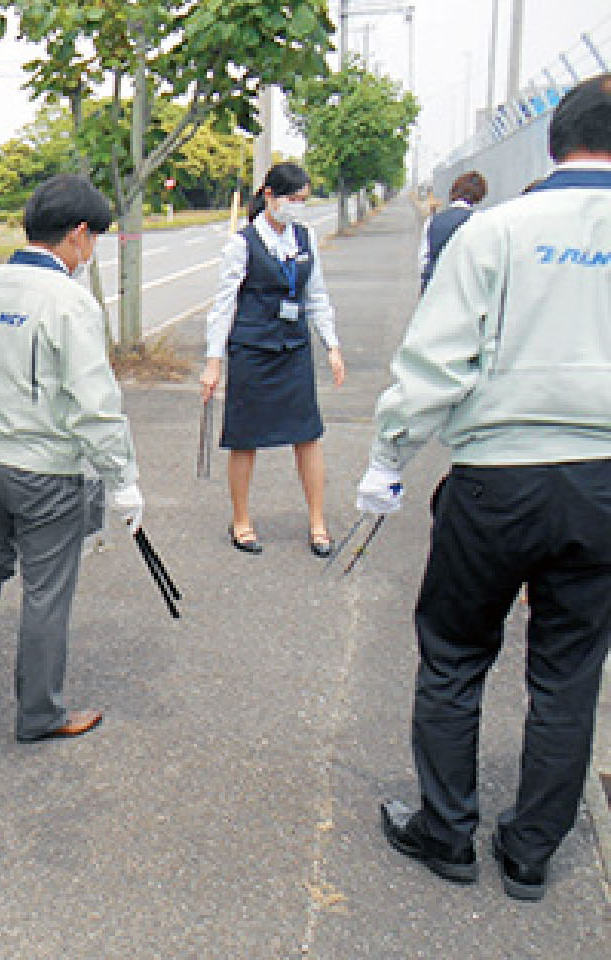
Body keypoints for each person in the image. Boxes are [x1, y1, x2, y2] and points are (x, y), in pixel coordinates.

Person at [359, 73, 611, 901]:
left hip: (498, 479)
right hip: (605, 484)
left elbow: (435, 364)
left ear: (552, 139)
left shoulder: (496, 232)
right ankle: (533, 850)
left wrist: (389, 458)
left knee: (457, 655)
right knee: (569, 673)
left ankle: (447, 830)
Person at [0, 173, 142, 743]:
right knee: (46, 589)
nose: (90, 250)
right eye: (92, 238)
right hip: (44, 468)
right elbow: (96, 403)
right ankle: (40, 714)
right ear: (77, 235)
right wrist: (123, 479)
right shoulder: (69, 301)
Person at [198, 162, 346, 557]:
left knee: (307, 435)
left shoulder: (305, 238)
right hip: (252, 350)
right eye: (291, 199)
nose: (296, 207)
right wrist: (213, 363)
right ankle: (241, 519)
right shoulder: (242, 244)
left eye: (302, 200)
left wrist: (331, 344)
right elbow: (223, 306)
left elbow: (316, 295)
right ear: (268, 196)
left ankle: (317, 522)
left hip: (294, 349)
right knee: (244, 438)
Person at [419, 170, 487, 293]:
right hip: (467, 290)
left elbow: (423, 260)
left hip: (434, 289)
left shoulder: (432, 221)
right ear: (479, 196)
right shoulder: (480, 220)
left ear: (453, 191)